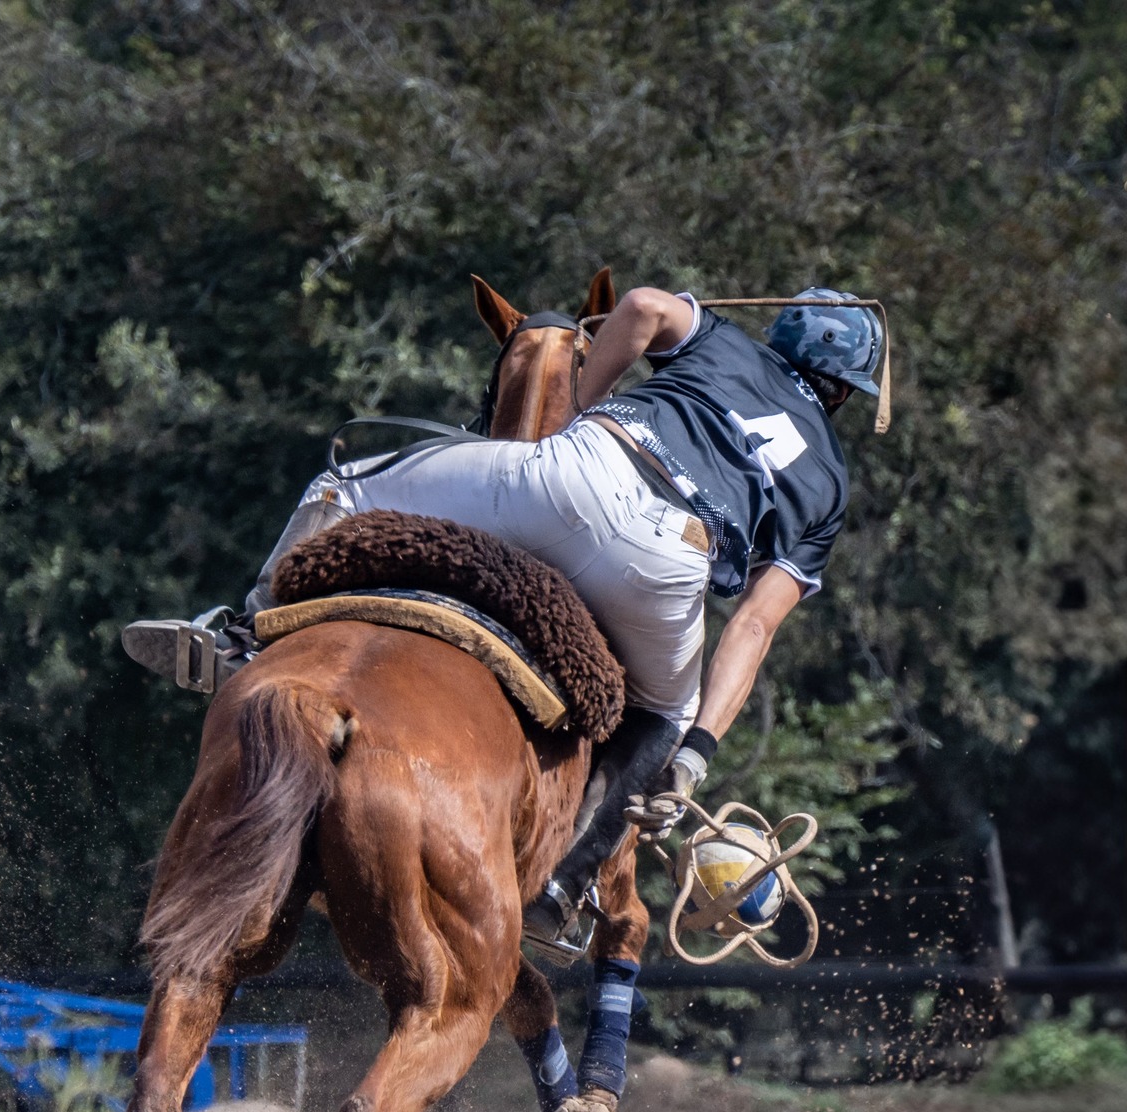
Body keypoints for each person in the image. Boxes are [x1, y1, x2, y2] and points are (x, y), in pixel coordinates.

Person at [122, 286, 883, 961]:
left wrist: (584, 402)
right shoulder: (828, 483)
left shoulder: (722, 338)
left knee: (342, 485)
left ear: (779, 338)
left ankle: (239, 639)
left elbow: (645, 305)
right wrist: (693, 758)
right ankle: (562, 891)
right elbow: (752, 626)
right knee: (668, 714)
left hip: (575, 472)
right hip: (667, 562)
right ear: (845, 394)